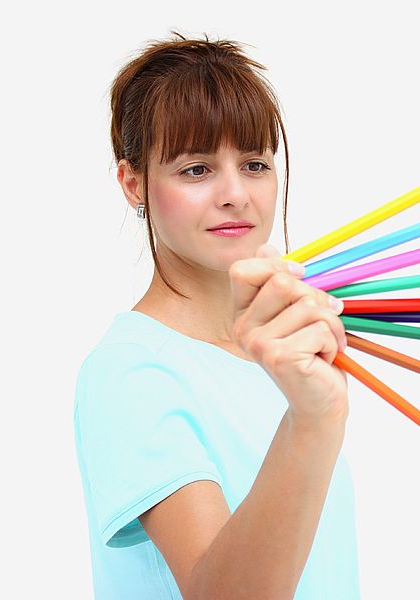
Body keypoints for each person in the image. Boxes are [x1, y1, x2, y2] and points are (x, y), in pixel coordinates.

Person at [72, 31, 359, 599]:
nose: (235, 193)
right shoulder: (131, 373)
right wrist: (314, 419)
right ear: (133, 184)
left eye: (254, 163)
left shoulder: (278, 357)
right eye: (196, 169)